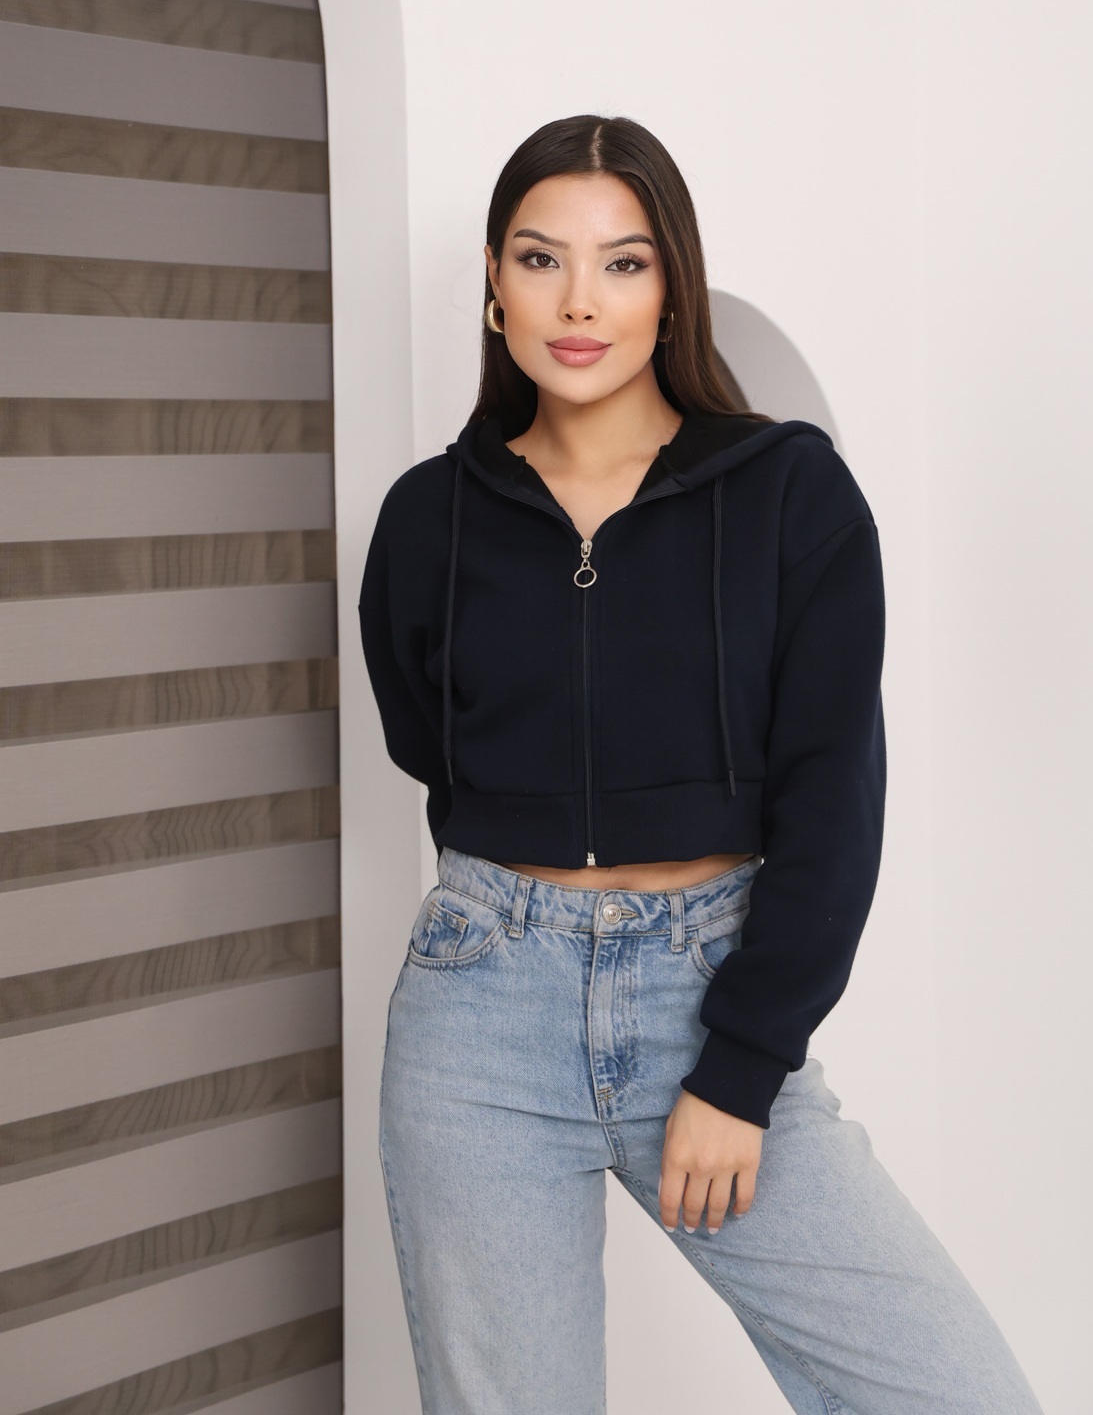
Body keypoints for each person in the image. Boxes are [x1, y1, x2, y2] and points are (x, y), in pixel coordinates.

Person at [358, 114, 1044, 1414]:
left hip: (711, 989)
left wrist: (739, 1067)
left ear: (672, 287)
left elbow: (833, 797)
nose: (579, 302)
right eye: (540, 258)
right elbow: (425, 742)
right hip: (481, 1016)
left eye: (622, 263)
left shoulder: (789, 493)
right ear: (495, 285)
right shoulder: (426, 520)